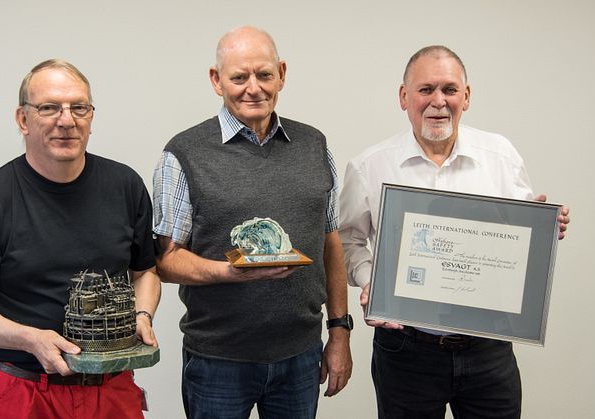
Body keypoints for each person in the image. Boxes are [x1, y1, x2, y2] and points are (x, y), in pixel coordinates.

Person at [339, 45, 571, 419]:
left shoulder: (500, 155)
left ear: (467, 96)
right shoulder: (369, 166)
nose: (438, 101)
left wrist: (544, 228)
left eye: (449, 89)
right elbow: (348, 241)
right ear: (404, 97)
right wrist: (373, 283)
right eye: (426, 89)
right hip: (406, 350)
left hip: (488, 349)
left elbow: (519, 237)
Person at [0, 59, 161, 419]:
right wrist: (31, 338)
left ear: (91, 116)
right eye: (49, 108)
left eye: (79, 107)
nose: (67, 120)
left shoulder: (126, 186)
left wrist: (142, 314)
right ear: (23, 120)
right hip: (26, 393)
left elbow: (145, 272)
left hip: (112, 388)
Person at [153, 26, 352, 419]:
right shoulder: (183, 153)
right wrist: (229, 272)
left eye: (264, 75)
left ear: (281, 72)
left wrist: (340, 332)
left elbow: (330, 242)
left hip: (301, 353)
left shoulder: (314, 145)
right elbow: (166, 260)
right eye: (239, 77)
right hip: (219, 361)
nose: (253, 88)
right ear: (216, 80)